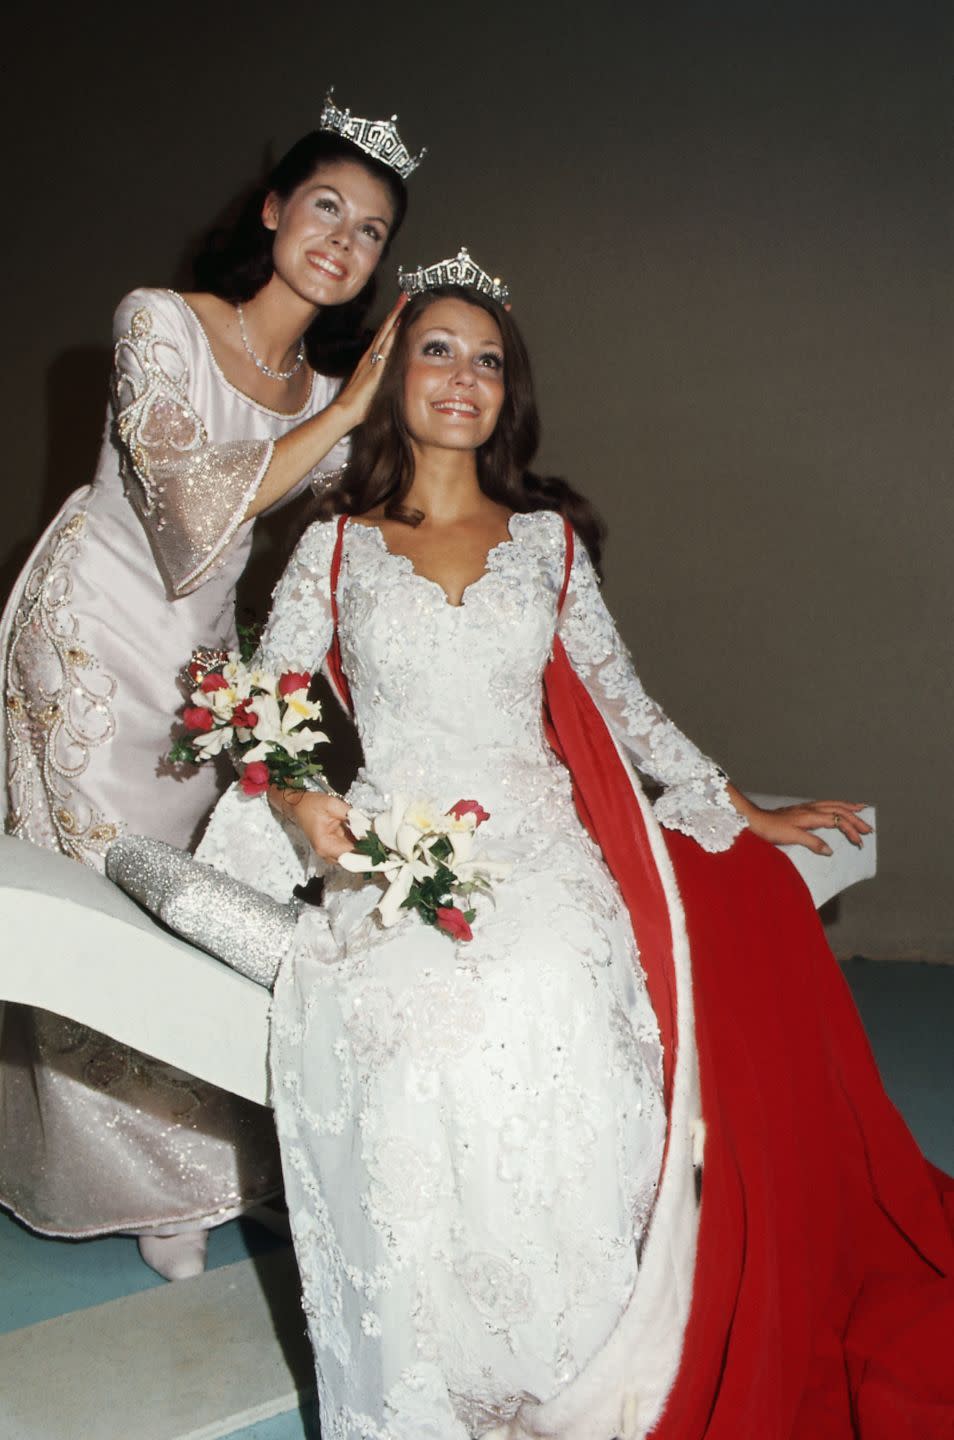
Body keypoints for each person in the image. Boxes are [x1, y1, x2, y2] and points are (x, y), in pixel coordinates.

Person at [188, 253, 954, 1437]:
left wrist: (739, 806)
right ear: (391, 373)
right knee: (403, 1020)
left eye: (488, 360)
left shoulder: (543, 542)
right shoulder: (332, 547)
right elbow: (272, 705)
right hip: (395, 844)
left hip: (541, 839)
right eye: (437, 348)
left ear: (510, 394)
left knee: (548, 988)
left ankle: (584, 1363)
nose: (463, 376)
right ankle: (443, 1369)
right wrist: (302, 806)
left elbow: (623, 700)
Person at [0, 95, 424, 1279]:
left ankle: (207, 1152)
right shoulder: (160, 321)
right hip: (85, 640)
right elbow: (188, 512)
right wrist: (346, 405)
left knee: (170, 907)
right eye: (326, 208)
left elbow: (374, 529)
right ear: (274, 210)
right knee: (85, 903)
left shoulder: (327, 410)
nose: (344, 240)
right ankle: (144, 1192)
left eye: (374, 231)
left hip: (197, 669)